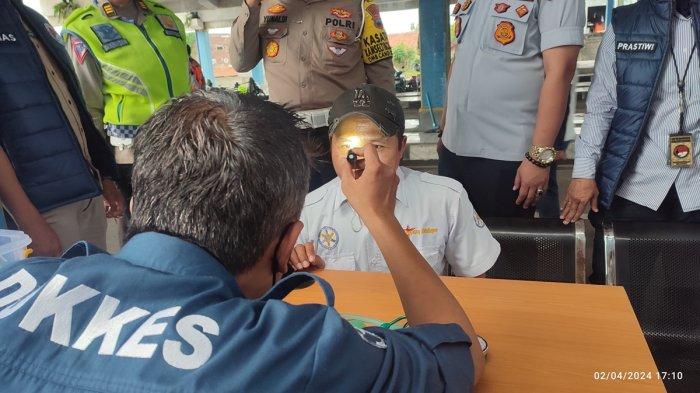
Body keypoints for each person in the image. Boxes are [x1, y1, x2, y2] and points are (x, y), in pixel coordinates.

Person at [0, 90, 484, 391]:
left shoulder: (16, 276)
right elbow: (456, 354)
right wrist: (379, 216)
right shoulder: (292, 350)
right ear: (287, 241)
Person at [292, 85, 500, 277]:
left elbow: (477, 283)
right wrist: (310, 275)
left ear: (401, 147)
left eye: (378, 146)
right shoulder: (308, 211)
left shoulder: (447, 199)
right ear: (331, 146)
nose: (363, 158)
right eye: (348, 144)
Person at [561, 0, 700, 284]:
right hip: (635, 186)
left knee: (687, 297)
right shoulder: (626, 23)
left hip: (696, 191)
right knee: (620, 289)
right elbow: (601, 106)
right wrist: (584, 173)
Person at [438, 0, 585, 218]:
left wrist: (539, 159)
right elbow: (461, 56)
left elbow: (560, 73)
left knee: (506, 248)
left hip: (507, 157)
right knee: (455, 244)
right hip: (454, 148)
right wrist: (444, 129)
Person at [0, 0, 124, 256]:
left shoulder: (33, 19)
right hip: (43, 209)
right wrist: (29, 223)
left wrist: (106, 175)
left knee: (98, 287)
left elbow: (74, 105)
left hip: (87, 195)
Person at [230, 0, 396, 191]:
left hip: (345, 135)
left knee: (351, 209)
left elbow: (381, 74)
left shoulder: (359, 5)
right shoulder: (264, 7)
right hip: (288, 138)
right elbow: (240, 62)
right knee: (293, 212)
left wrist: (388, 135)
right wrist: (251, 6)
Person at [62, 0, 190, 200]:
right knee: (148, 227)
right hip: (135, 158)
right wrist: (103, 172)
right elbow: (87, 110)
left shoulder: (163, 17)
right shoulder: (83, 29)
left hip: (188, 146)